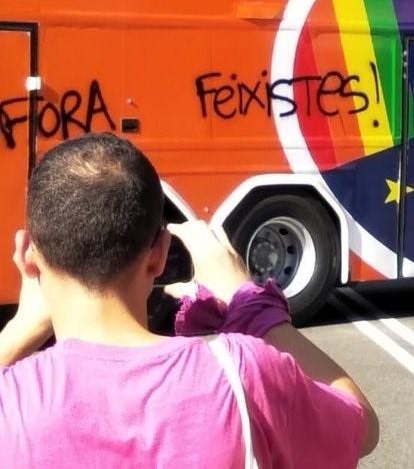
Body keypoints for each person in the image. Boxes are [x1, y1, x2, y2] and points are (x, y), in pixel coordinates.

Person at [0, 133, 380, 466]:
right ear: (160, 254)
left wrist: (22, 329)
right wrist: (249, 302)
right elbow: (361, 425)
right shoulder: (241, 374)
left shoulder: (11, 399)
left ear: (27, 255)